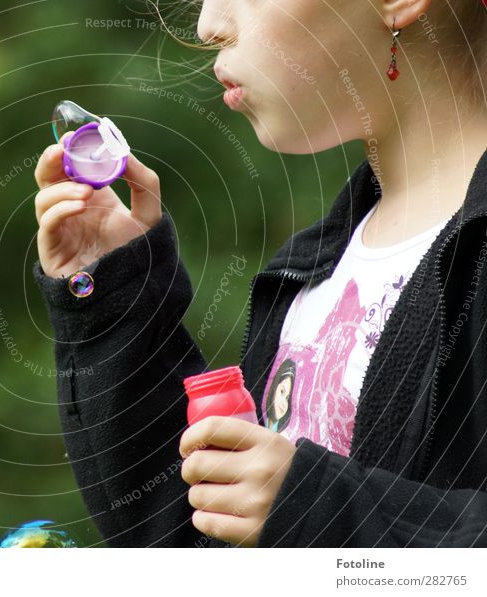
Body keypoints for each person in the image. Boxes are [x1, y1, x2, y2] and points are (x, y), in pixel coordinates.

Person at [31, 0, 487, 547]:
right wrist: (115, 304)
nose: (207, 25)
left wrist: (318, 509)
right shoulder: (316, 264)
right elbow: (192, 546)